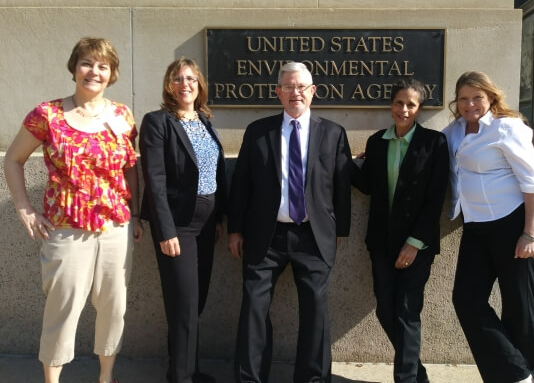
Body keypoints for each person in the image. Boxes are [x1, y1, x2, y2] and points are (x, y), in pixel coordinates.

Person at [3, 37, 143, 383]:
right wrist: (25, 208)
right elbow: (13, 159)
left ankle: (106, 377)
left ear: (111, 74)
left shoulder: (123, 116)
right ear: (74, 68)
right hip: (66, 230)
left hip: (115, 228)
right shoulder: (47, 114)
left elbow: (130, 168)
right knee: (62, 310)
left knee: (114, 309)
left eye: (102, 66)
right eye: (87, 63)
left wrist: (136, 214)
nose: (94, 71)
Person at [228, 61, 352, 383]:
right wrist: (235, 229)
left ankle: (312, 379)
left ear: (312, 92)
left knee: (316, 312)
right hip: (265, 237)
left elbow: (341, 185)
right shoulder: (258, 131)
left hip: (313, 237)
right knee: (254, 309)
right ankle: (250, 378)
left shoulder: (333, 133)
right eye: (288, 87)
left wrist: (341, 230)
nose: (295, 93)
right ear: (278, 92)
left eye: (301, 87)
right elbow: (242, 183)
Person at [442, 71, 534, 383]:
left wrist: (530, 233)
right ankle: (516, 373)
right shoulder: (455, 131)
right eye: (463, 98)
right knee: (466, 299)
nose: (470, 104)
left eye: (477, 97)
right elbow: (428, 147)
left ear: (491, 97)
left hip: (514, 223)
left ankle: (526, 373)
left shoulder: (507, 127)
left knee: (518, 306)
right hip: (476, 227)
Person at [352, 78, 449, 383]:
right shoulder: (377, 141)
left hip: (416, 245)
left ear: (419, 108)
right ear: (390, 104)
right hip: (381, 241)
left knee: (407, 313)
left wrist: (415, 242)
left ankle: (406, 379)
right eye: (398, 103)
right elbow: (367, 185)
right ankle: (417, 373)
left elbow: (436, 198)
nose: (403, 109)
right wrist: (343, 161)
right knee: (385, 309)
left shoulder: (434, 143)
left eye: (411, 104)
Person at [139, 57, 228, 383]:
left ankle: (184, 370)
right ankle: (182, 377)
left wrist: (219, 218)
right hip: (178, 226)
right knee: (184, 304)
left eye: (191, 78)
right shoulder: (158, 122)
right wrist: (165, 230)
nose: (185, 83)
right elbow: (155, 181)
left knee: (195, 302)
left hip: (207, 225)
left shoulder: (204, 121)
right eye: (177, 78)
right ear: (168, 85)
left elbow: (213, 173)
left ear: (199, 84)